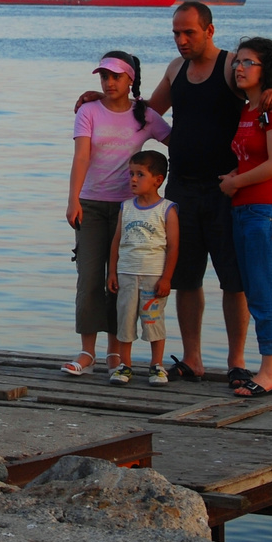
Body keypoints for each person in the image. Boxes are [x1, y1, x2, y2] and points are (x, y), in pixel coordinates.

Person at [77, 1, 272, 388]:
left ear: (209, 31)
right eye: (176, 33)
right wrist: (104, 98)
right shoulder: (176, 70)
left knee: (234, 281)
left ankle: (237, 362)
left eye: (189, 32)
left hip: (225, 189)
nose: (181, 40)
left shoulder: (232, 67)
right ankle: (193, 358)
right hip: (181, 187)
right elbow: (141, 112)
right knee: (186, 278)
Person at [64, 52, 170, 381]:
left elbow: (175, 143)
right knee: (90, 278)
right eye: (104, 77)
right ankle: (87, 352)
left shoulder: (146, 115)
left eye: (116, 77)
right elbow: (81, 156)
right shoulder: (89, 111)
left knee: (121, 282)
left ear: (130, 80)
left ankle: (115, 353)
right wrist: (73, 200)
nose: (109, 83)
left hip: (130, 210)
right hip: (92, 205)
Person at [218, 37, 272, 397]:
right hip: (244, 210)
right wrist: (234, 180)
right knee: (256, 290)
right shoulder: (247, 110)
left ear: (268, 70)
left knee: (264, 291)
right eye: (238, 62)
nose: (240, 68)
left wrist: (235, 182)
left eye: (249, 63)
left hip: (266, 210)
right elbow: (250, 157)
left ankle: (268, 367)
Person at [106, 151, 180, 386]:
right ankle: (124, 365)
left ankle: (156, 366)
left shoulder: (167, 209)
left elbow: (173, 246)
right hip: (127, 275)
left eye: (140, 174)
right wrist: (112, 272)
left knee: (153, 321)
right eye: (131, 174)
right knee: (125, 321)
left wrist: (167, 278)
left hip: (153, 277)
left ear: (158, 179)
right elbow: (117, 241)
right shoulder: (126, 207)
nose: (133, 179)